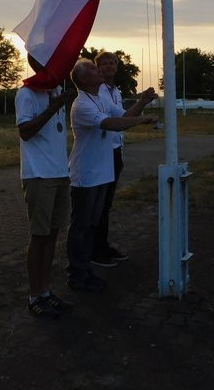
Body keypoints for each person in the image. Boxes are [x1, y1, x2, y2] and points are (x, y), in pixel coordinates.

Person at [66, 59, 158, 292]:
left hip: (101, 172)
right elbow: (112, 124)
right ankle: (77, 274)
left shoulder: (100, 99)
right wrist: (141, 119)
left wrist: (142, 102)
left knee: (92, 224)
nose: (99, 70)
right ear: (83, 79)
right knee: (81, 226)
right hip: (86, 174)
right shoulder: (82, 104)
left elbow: (123, 115)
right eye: (93, 69)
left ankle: (86, 268)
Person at [15, 67, 77, 318]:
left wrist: (60, 102)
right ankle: (34, 296)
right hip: (39, 174)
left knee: (52, 236)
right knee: (39, 237)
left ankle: (46, 291)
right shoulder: (27, 93)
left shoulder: (57, 89)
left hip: (60, 172)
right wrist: (53, 108)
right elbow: (25, 132)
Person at [91, 51, 129, 267]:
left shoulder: (116, 91)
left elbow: (122, 115)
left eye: (112, 63)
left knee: (107, 202)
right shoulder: (99, 91)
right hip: (103, 152)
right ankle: (96, 249)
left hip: (116, 150)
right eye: (104, 63)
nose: (109, 66)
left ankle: (102, 244)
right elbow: (116, 118)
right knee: (100, 203)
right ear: (97, 68)